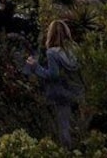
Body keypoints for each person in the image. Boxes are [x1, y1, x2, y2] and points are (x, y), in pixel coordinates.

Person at [24, 19, 82, 149]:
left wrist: (35, 67)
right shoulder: (75, 49)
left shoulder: (52, 53)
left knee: (64, 125)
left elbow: (52, 75)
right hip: (76, 90)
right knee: (77, 123)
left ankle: (67, 151)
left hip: (60, 93)